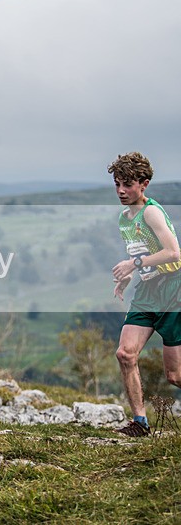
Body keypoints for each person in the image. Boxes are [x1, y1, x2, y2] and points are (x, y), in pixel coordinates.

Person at [109, 152, 181, 437]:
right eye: (117, 184)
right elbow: (142, 253)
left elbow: (174, 252)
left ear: (144, 184)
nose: (121, 191)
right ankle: (140, 423)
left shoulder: (151, 211)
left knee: (174, 376)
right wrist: (128, 277)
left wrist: (133, 264)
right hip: (148, 291)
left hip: (173, 289)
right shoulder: (125, 218)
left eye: (127, 184)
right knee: (125, 354)